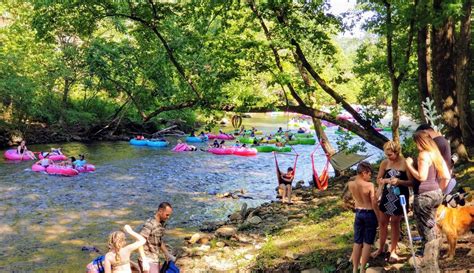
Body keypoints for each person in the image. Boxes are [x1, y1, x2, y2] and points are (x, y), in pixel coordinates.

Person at [405, 131, 450, 257]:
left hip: (424, 195)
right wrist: (440, 190)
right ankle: (435, 249)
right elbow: (446, 175)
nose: (415, 146)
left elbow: (421, 176)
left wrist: (409, 165)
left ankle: (429, 253)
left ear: (420, 142)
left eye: (416, 142)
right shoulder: (435, 154)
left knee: (424, 226)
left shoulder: (423, 155)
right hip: (436, 193)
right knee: (432, 224)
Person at [372, 141, 412, 262]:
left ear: (397, 152)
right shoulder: (385, 163)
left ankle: (393, 251)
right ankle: (380, 249)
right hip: (387, 195)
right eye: (386, 154)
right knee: (383, 222)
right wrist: (384, 181)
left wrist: (399, 182)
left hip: (400, 196)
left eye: (390, 155)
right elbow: (379, 179)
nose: (388, 157)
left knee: (395, 222)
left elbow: (411, 182)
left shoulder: (405, 163)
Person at [348, 161, 379, 273]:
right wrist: (379, 217)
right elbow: (374, 203)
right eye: (369, 174)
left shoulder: (350, 184)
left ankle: (354, 269)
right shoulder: (369, 185)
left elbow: (354, 199)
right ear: (364, 172)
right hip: (369, 213)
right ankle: (362, 270)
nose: (370, 177)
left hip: (358, 213)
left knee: (357, 242)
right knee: (367, 243)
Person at [416, 124, 455, 193]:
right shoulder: (442, 140)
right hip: (444, 180)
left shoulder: (436, 143)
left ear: (425, 132)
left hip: (439, 183)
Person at [138, 202, 175, 273]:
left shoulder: (161, 224)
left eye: (169, 215)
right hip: (148, 259)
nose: (168, 217)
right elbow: (140, 241)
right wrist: (144, 260)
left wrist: (167, 254)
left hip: (155, 259)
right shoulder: (150, 224)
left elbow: (159, 240)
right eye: (167, 215)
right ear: (160, 211)